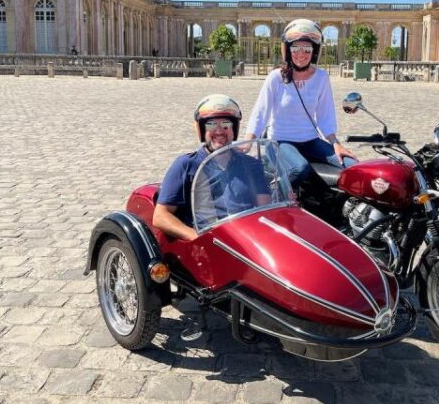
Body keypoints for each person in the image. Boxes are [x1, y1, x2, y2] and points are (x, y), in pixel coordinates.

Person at [245, 19, 357, 186]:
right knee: (299, 169)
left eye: (307, 49)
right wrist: (247, 143)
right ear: (288, 51)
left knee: (353, 167)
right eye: (295, 48)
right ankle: (272, 192)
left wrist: (336, 144)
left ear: (315, 52)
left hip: (310, 141)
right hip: (280, 141)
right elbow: (261, 112)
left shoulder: (321, 78)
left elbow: (325, 116)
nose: (301, 54)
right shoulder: (276, 77)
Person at [153, 94, 271, 241]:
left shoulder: (251, 164)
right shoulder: (187, 164)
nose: (219, 131)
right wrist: (196, 237)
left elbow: (265, 209)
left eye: (226, 125)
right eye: (211, 125)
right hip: (209, 243)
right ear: (201, 130)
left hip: (247, 238)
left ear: (234, 128)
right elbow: (160, 216)